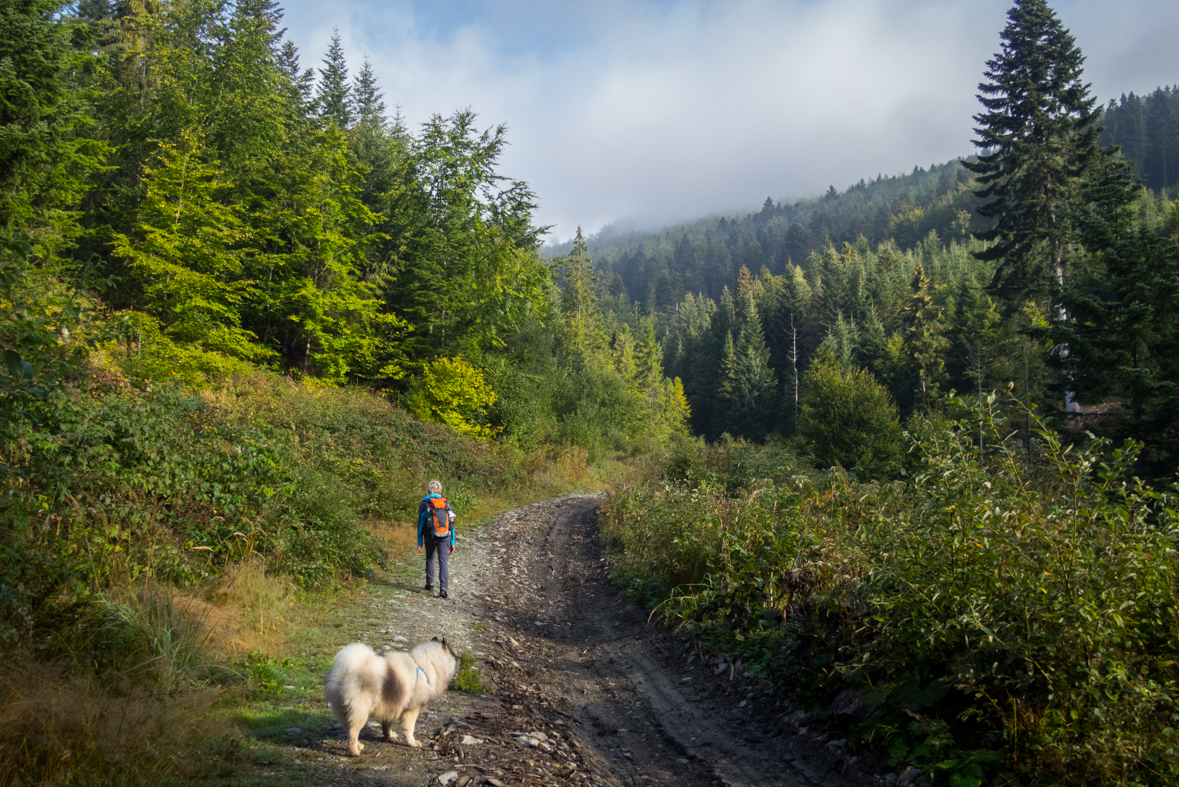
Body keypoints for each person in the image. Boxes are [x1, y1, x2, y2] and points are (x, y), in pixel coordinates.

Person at [417, 480, 455, 598]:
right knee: (443, 561)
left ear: (428, 490)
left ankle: (430, 583)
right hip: (445, 536)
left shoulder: (424, 503)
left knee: (430, 557)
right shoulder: (445, 502)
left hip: (430, 536)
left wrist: (420, 541)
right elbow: (451, 523)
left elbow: (421, 523)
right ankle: (443, 588)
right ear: (440, 490)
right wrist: (452, 541)